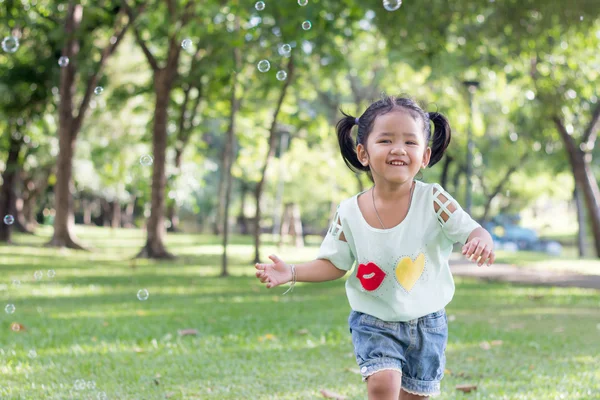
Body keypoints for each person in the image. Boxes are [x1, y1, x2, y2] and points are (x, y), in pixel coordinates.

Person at [254, 96, 495, 399]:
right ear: (363, 153)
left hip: (427, 324)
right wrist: (290, 272)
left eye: (410, 142)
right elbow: (335, 263)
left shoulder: (434, 200)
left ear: (425, 156)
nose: (398, 149)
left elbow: (471, 228)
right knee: (383, 383)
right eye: (385, 140)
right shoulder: (349, 212)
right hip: (373, 321)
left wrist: (481, 239)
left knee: (415, 395)